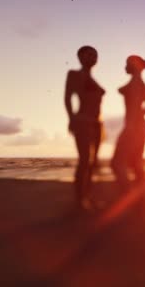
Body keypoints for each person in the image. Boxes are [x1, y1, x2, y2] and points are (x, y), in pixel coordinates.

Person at [64, 46, 105, 210]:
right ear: (79, 57)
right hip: (83, 121)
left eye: (95, 55)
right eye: (88, 54)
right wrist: (72, 119)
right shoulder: (74, 74)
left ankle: (87, 197)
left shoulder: (93, 79)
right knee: (84, 160)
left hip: (97, 124)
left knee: (93, 162)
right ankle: (80, 200)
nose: (92, 57)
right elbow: (67, 98)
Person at [111, 55, 145, 192]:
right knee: (135, 162)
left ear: (134, 66)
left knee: (117, 163)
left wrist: (132, 124)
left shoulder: (135, 84)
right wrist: (140, 117)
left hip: (133, 126)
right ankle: (139, 194)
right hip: (141, 125)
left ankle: (128, 193)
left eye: (127, 63)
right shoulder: (141, 83)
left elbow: (134, 106)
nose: (125, 67)